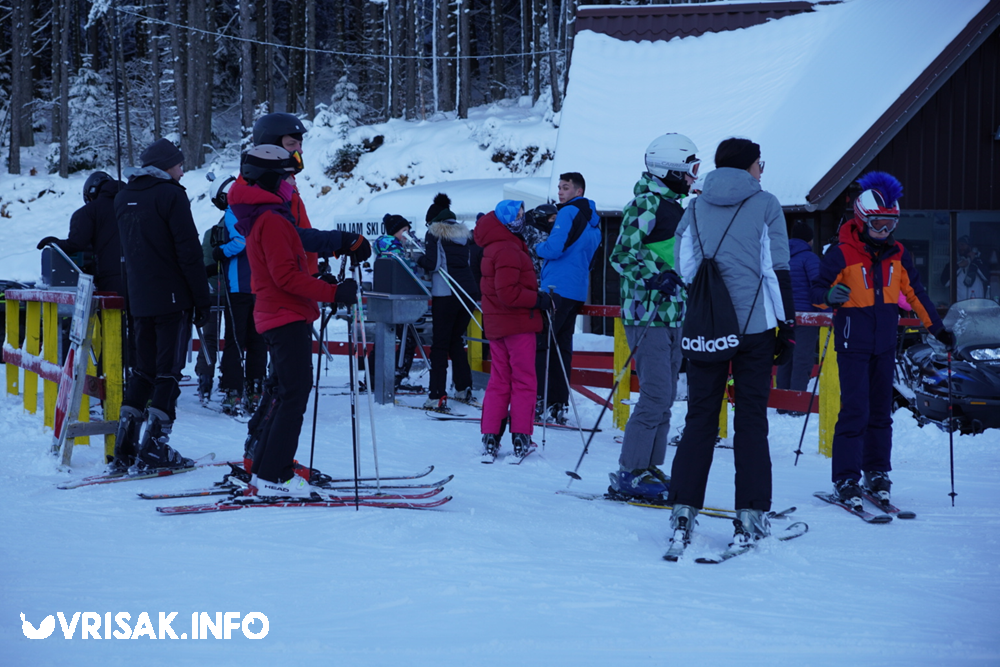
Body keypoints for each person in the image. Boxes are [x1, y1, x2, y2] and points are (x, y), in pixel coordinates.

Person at [667, 137, 796, 550]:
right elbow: (774, 269)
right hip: (754, 329)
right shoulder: (766, 204)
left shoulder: (695, 205)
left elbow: (684, 265)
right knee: (751, 420)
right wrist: (787, 325)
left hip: (707, 328)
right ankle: (751, 515)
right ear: (748, 166)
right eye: (761, 163)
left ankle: (684, 510)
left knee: (700, 419)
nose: (763, 170)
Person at [812, 171, 951, 509]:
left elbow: (915, 294)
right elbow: (816, 291)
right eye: (879, 225)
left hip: (885, 342)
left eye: (891, 224)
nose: (885, 232)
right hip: (852, 341)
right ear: (861, 221)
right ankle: (846, 476)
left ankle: (876, 472)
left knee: (881, 412)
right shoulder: (841, 253)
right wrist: (830, 296)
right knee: (855, 409)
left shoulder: (898, 255)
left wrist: (938, 329)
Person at [231, 145, 363, 497]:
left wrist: (325, 284)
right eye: (287, 176)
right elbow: (285, 277)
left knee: (289, 394)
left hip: (282, 313)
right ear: (272, 179)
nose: (292, 183)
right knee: (293, 396)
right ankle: (274, 474)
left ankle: (266, 468)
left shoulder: (269, 216)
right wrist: (333, 293)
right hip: (283, 316)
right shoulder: (272, 220)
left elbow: (289, 271)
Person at [111, 138, 212, 472]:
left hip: (140, 298)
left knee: (143, 369)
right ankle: (154, 446)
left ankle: (124, 445)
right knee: (168, 372)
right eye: (179, 165)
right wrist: (201, 299)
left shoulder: (124, 197)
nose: (183, 171)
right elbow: (189, 251)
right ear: (166, 166)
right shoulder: (171, 195)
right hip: (172, 298)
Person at [608, 133, 699, 500]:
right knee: (657, 394)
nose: (694, 177)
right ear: (671, 170)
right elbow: (621, 254)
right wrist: (654, 275)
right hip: (648, 313)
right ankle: (630, 470)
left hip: (674, 314)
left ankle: (648, 465)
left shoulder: (676, 207)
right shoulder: (646, 204)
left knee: (666, 396)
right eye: (690, 169)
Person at [474, 200, 557, 458]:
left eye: (523, 214)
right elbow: (508, 293)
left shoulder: (497, 244)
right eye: (517, 215)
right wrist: (538, 299)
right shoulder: (508, 248)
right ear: (507, 220)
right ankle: (521, 434)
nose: (522, 219)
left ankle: (491, 435)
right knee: (523, 379)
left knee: (500, 380)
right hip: (517, 323)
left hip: (498, 324)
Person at [533, 173, 602, 425]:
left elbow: (553, 248)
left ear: (579, 191)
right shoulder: (595, 221)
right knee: (562, 347)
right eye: (559, 187)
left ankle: (538, 401)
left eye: (565, 187)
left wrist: (534, 247)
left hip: (555, 289)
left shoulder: (567, 213)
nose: (560, 192)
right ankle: (558, 403)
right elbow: (592, 259)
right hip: (576, 290)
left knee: (542, 345)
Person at [416, 193, 482, 410]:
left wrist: (418, 260)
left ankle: (437, 394)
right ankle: (464, 387)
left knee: (440, 344)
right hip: (468, 291)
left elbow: (433, 264)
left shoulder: (434, 233)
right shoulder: (465, 236)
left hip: (446, 292)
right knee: (455, 340)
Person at [210, 175, 268, 414]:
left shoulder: (234, 212)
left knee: (234, 339)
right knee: (257, 339)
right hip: (259, 285)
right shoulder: (259, 210)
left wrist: (220, 251)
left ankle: (233, 390)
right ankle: (255, 388)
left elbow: (240, 241)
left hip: (238, 285)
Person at [776, 221, 821, 411]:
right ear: (809, 240)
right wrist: (826, 313)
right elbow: (819, 287)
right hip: (807, 316)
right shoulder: (809, 258)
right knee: (802, 359)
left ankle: (782, 402)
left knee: (786, 357)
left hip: (785, 315)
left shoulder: (781, 256)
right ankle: (797, 403)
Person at [373, 213, 422, 390]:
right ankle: (398, 374)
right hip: (398, 299)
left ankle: (375, 375)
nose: (407, 235)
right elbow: (405, 271)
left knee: (384, 338)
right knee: (406, 340)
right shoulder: (393, 248)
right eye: (404, 231)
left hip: (388, 298)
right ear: (395, 232)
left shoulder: (386, 246)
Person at [941, 236, 990, 301]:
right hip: (959, 306)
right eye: (959, 245)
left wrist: (974, 261)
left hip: (977, 306)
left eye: (963, 245)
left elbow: (987, 277)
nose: (960, 247)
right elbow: (945, 282)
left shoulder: (980, 262)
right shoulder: (953, 264)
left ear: (970, 247)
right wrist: (959, 266)